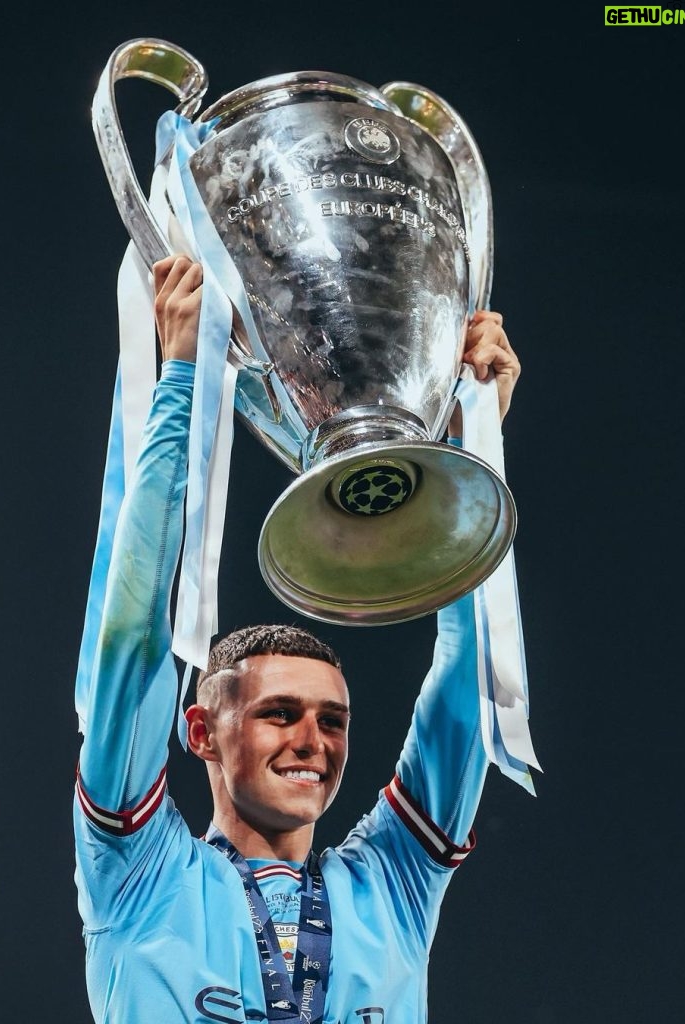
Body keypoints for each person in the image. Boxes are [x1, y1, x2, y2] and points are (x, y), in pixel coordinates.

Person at [74, 255, 522, 1023]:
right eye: (279, 713)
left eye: (332, 720)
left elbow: (465, 691)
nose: (314, 740)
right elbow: (131, 639)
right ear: (201, 731)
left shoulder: (391, 888)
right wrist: (180, 378)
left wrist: (466, 449)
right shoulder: (141, 874)